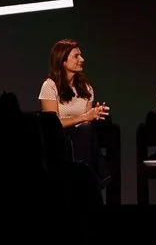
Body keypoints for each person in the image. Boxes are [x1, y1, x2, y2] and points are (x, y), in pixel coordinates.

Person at [39, 38, 111, 189]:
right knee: (85, 132)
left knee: (86, 130)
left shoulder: (85, 87)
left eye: (81, 55)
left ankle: (84, 181)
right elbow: (52, 125)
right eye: (76, 56)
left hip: (81, 137)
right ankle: (94, 179)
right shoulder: (50, 86)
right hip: (59, 141)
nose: (82, 59)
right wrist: (85, 116)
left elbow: (87, 122)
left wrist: (94, 114)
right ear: (63, 61)